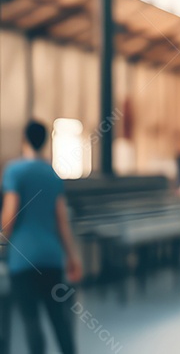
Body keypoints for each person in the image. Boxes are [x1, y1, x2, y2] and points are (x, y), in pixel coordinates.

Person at [1, 120, 81, 354]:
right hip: (51, 258)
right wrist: (72, 256)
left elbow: (10, 216)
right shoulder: (52, 173)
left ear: (24, 139)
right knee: (59, 319)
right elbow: (61, 221)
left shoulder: (14, 171)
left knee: (31, 320)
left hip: (22, 259)